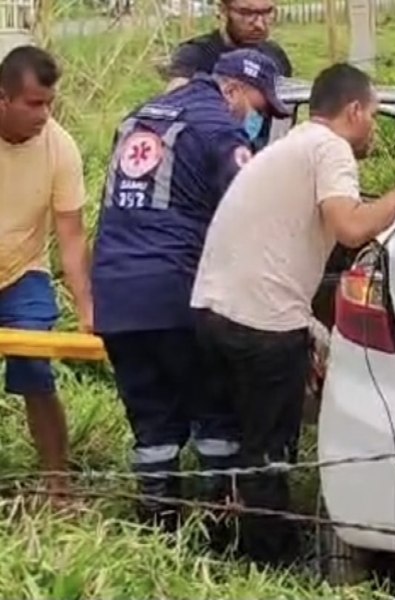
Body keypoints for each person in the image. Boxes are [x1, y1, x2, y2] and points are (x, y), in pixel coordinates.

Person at [190, 62, 395, 564]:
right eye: (373, 115)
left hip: (215, 308)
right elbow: (350, 229)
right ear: (354, 110)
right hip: (262, 322)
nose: (373, 127)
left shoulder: (293, 146)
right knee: (270, 450)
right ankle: (267, 560)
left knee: (239, 441)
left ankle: (216, 545)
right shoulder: (330, 149)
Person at [91, 49, 290, 532]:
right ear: (234, 90)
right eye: (259, 109)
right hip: (177, 291)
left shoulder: (137, 116)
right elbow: (255, 205)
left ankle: (158, 533)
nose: (255, 121)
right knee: (214, 413)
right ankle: (218, 533)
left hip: (116, 294)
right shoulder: (217, 127)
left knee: (152, 422)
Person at [0, 46, 93, 503]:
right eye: (34, 103)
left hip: (22, 273)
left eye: (49, 102)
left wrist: (87, 309)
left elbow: (72, 238)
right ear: (2, 99)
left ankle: (58, 485)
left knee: (35, 368)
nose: (44, 114)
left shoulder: (60, 147)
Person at [165, 0, 292, 150]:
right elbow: (174, 105)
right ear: (223, 10)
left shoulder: (274, 56)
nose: (259, 24)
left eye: (267, 12)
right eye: (246, 13)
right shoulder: (196, 55)